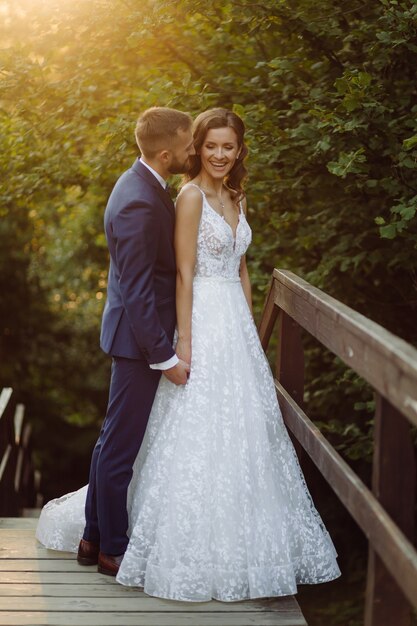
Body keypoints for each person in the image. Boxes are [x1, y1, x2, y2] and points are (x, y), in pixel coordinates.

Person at [36, 107, 340, 601]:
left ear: (240, 150)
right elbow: (167, 277)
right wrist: (174, 348)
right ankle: (109, 543)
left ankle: (97, 537)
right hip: (167, 330)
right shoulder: (170, 196)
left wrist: (248, 329)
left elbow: (240, 267)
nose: (212, 154)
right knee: (130, 439)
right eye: (203, 145)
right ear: (184, 148)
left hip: (226, 328)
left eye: (227, 146)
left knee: (183, 433)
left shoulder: (192, 192)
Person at [46, 107, 195, 576]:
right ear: (167, 152)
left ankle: (92, 538)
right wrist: (164, 355)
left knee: (111, 441)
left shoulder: (143, 184)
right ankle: (113, 547)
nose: (194, 151)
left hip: (135, 339)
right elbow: (135, 288)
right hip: (138, 343)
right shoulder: (138, 198)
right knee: (120, 449)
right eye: (190, 145)